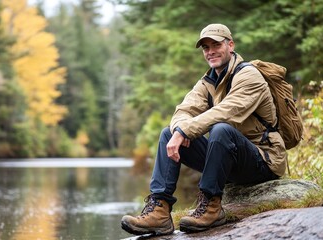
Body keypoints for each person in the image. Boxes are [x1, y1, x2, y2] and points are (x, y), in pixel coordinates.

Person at [121, 23, 286, 236]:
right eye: (205, 47)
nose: (210, 51)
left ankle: (211, 206)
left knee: (220, 129)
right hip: (228, 160)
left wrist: (186, 131)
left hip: (263, 161)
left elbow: (226, 111)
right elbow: (183, 110)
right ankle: (160, 212)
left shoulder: (249, 76)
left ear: (230, 45)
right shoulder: (207, 81)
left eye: (216, 44)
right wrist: (180, 130)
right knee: (168, 133)